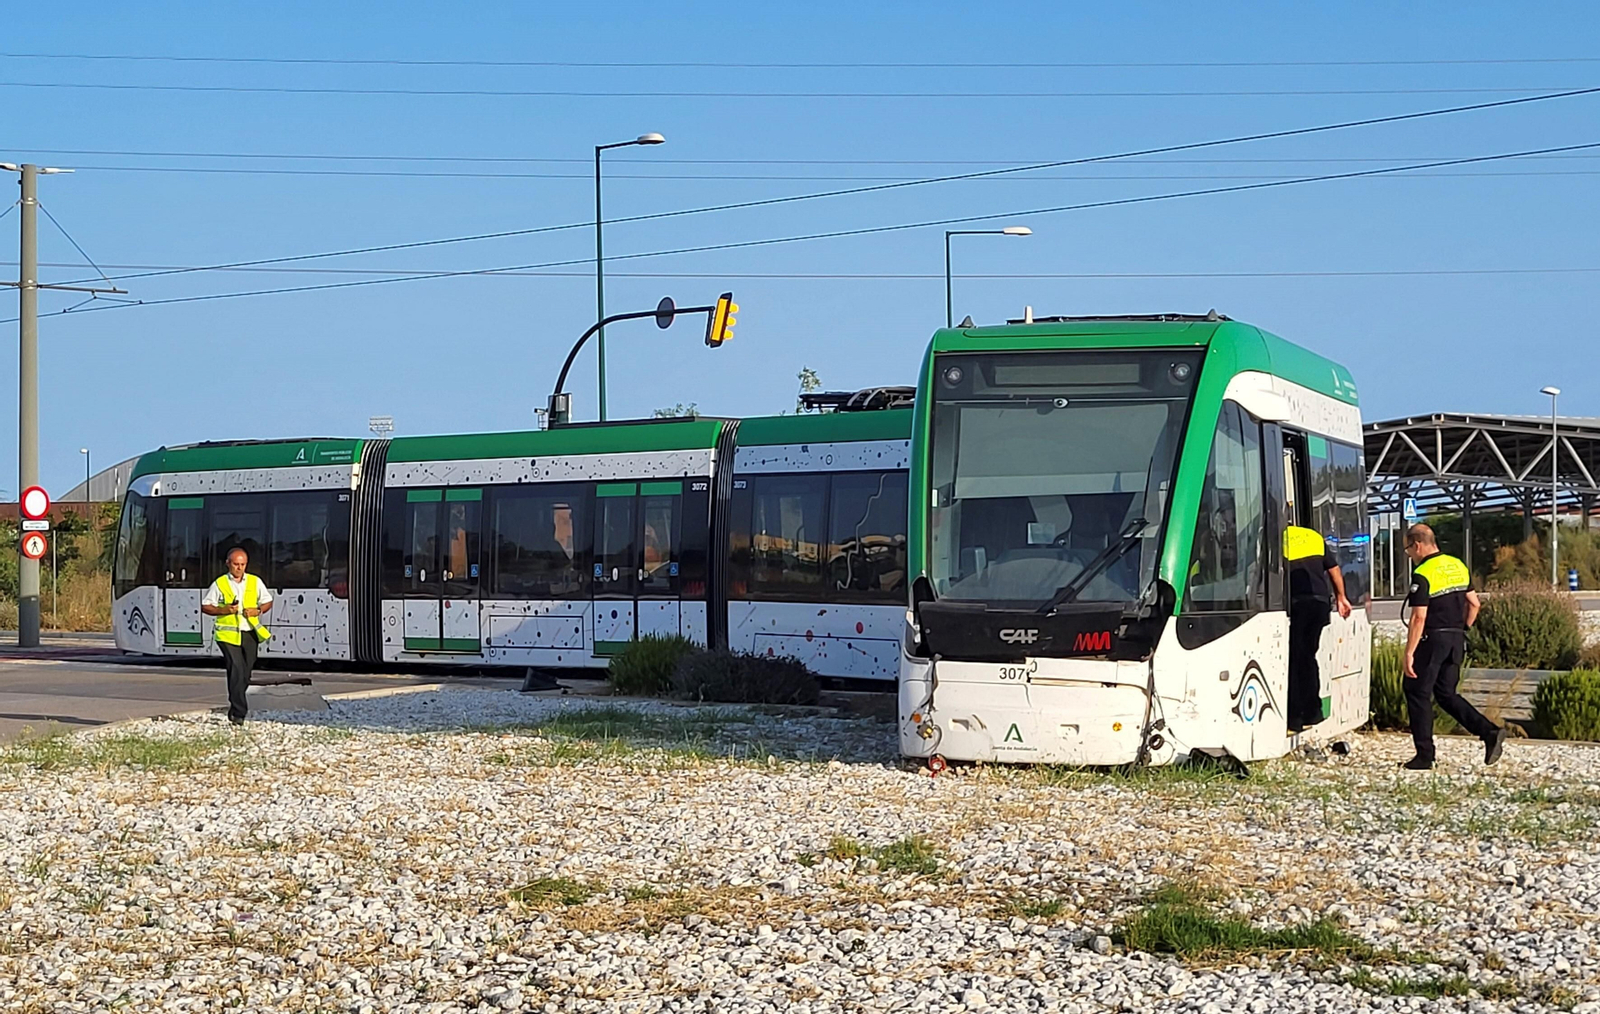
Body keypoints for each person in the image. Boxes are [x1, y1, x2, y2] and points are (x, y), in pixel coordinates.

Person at [1401, 523, 1506, 770]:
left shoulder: (1423, 573)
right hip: (1456, 639)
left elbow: (1418, 617)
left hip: (1432, 639)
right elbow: (1474, 604)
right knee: (1447, 694)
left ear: (1417, 545)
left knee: (1417, 692)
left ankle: (1424, 755)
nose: (1410, 556)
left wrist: (1409, 652)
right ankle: (1489, 732)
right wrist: (1463, 629)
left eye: (1408, 550)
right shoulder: (1458, 565)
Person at [1283, 522, 1353, 733]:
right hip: (1319, 603)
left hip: (1298, 603)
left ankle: (1294, 716)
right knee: (1307, 656)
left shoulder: (1277, 539)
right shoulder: (1312, 536)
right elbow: (1333, 569)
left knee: (1295, 659)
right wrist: (1341, 597)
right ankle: (1313, 711)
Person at [201, 548, 273, 725]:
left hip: (249, 631)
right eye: (236, 564)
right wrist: (223, 610)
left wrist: (258, 610)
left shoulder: (255, 582)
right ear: (228, 563)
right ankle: (239, 713)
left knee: (245, 672)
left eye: (242, 564)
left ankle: (235, 708)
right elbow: (205, 606)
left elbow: (267, 601)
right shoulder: (220, 584)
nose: (239, 568)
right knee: (236, 668)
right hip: (227, 635)